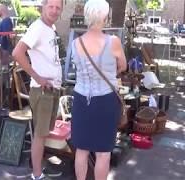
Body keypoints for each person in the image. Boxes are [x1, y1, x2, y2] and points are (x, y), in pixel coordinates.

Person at [68, 0, 127, 180]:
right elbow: (123, 66)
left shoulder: (76, 42)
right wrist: (109, 73)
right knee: (103, 152)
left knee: (82, 149)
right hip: (105, 101)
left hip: (81, 100)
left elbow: (76, 69)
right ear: (104, 16)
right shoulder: (113, 41)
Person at [12, 0, 63, 179]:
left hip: (51, 89)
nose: (54, 10)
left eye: (58, 7)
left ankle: (39, 168)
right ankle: (36, 175)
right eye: (51, 6)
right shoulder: (38, 27)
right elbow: (17, 53)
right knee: (40, 135)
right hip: (42, 91)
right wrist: (38, 77)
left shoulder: (51, 27)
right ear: (43, 7)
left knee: (44, 133)